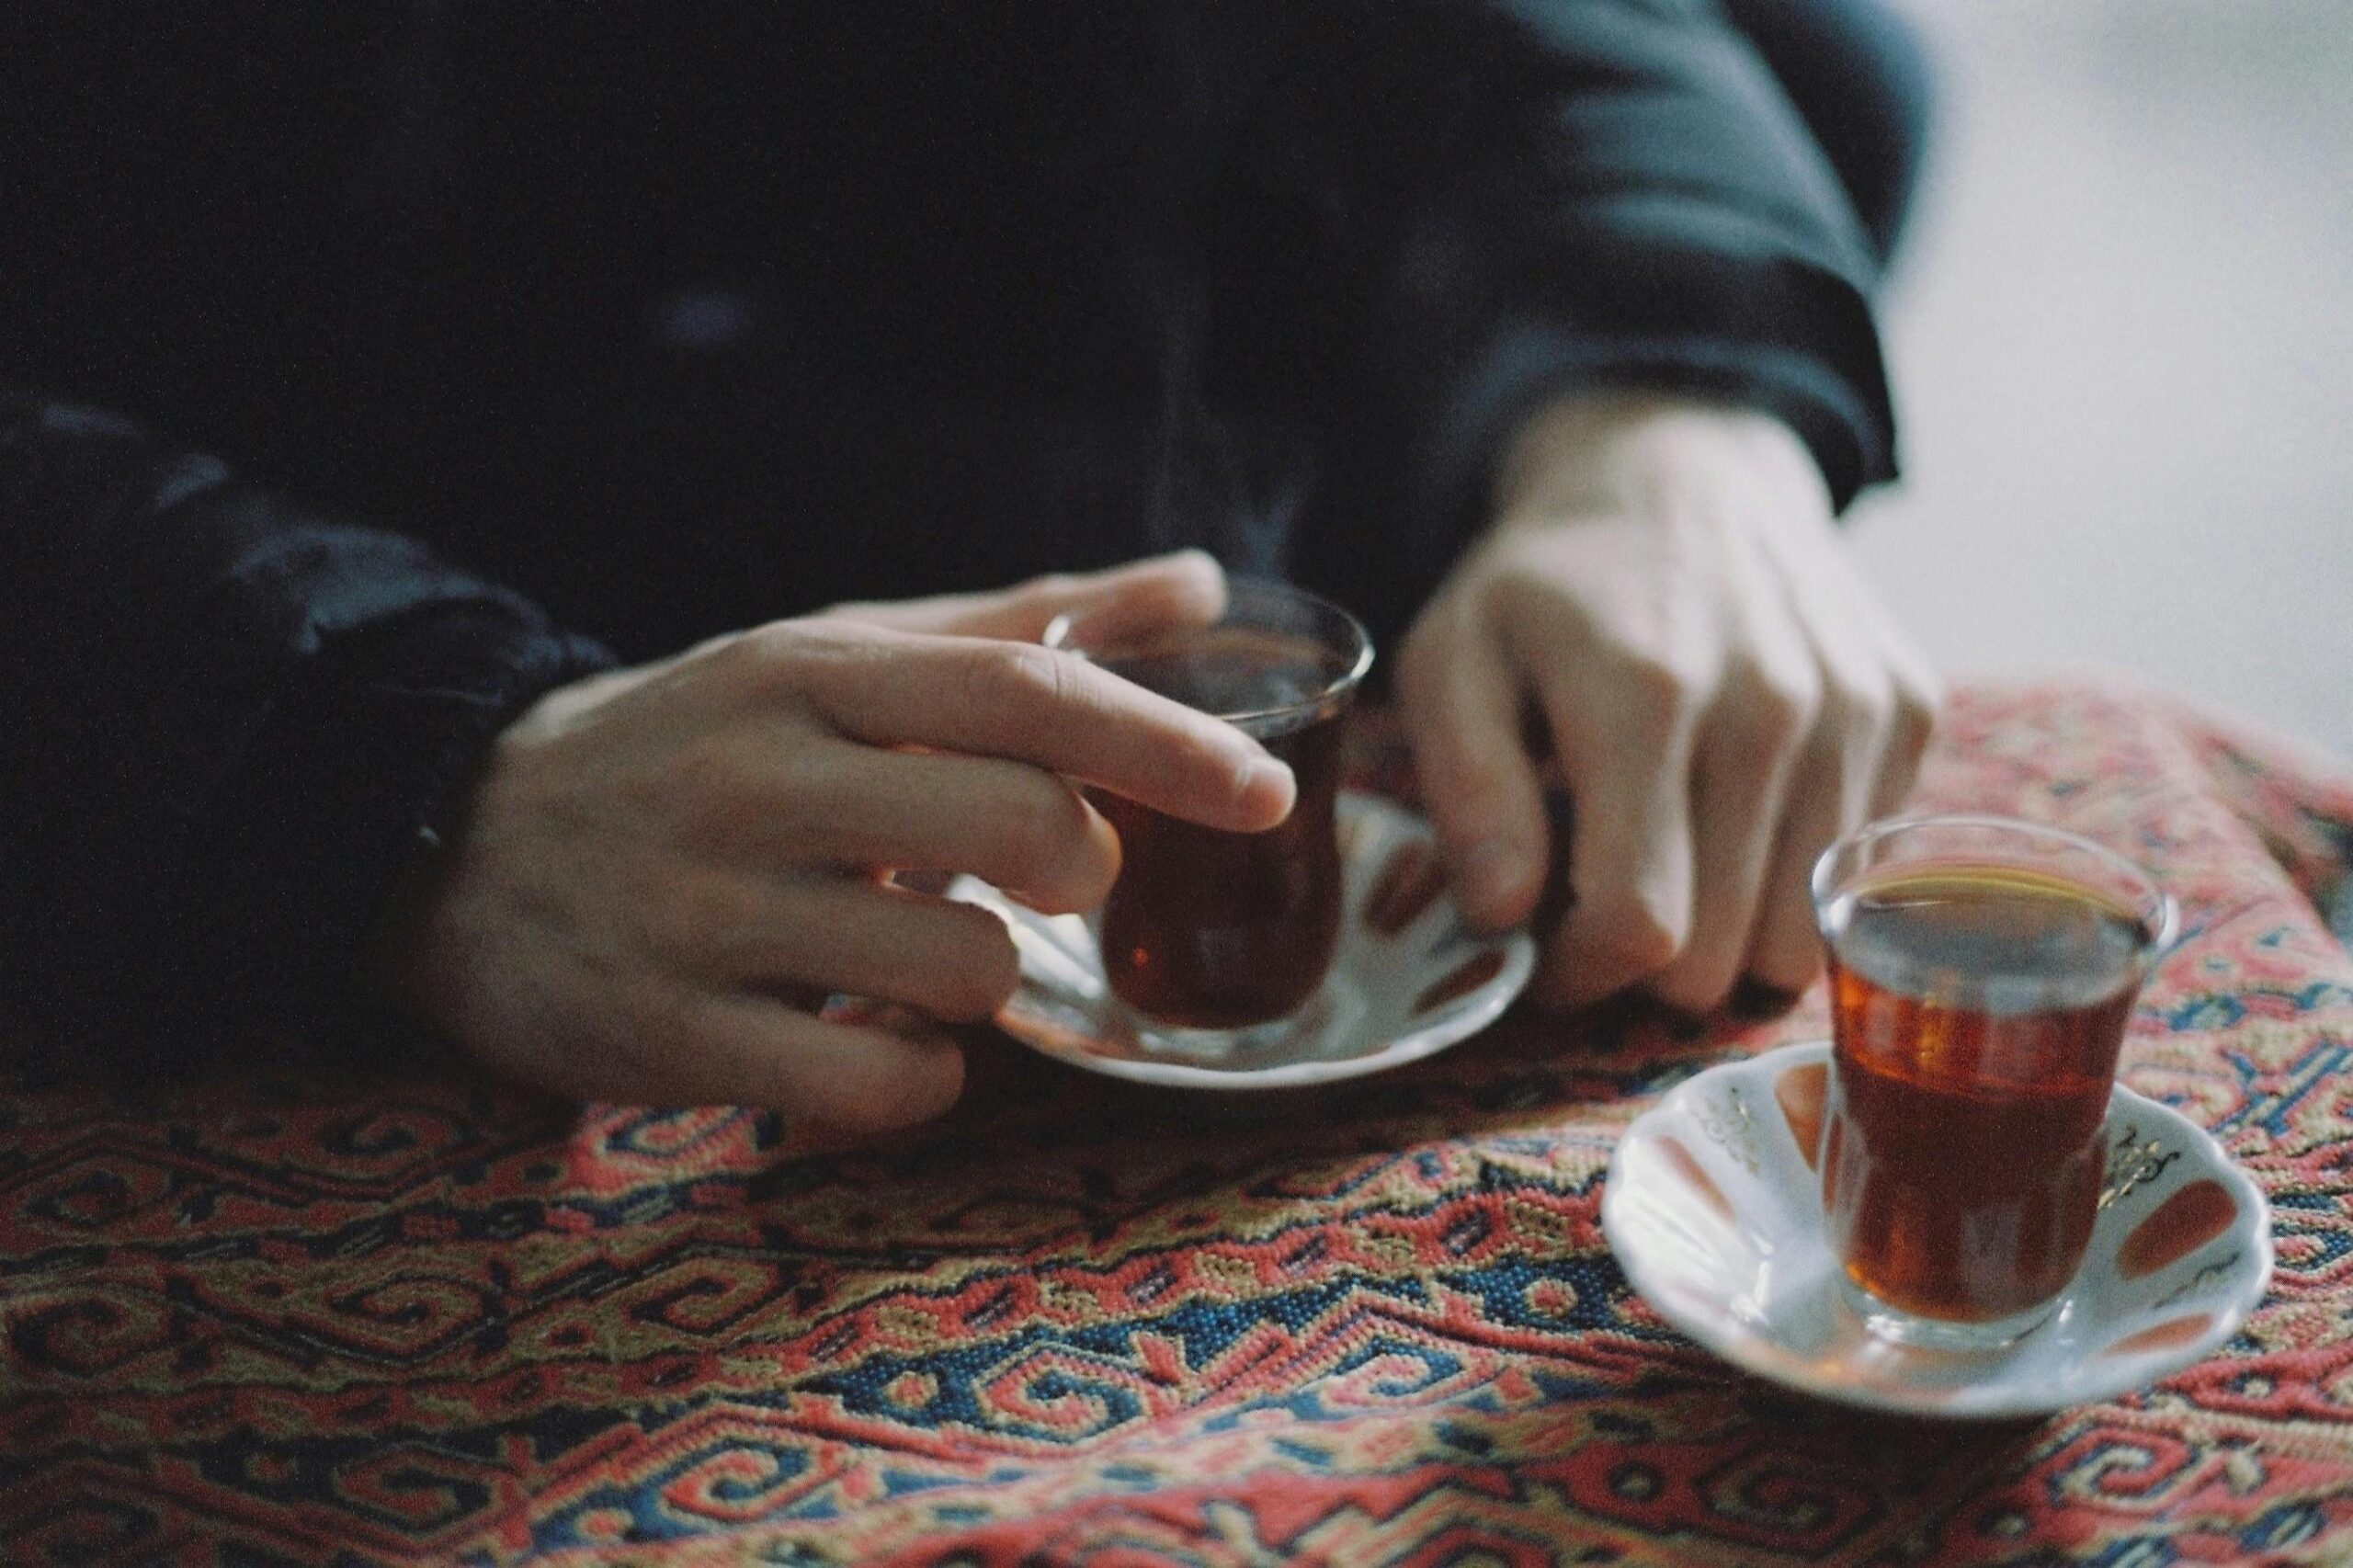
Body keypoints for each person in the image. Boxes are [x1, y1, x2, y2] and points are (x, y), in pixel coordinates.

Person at [1, 2, 1937, 1132]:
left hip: (942, 294)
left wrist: (1663, 398)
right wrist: (405, 775)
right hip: (272, 429)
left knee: (1839, 65)